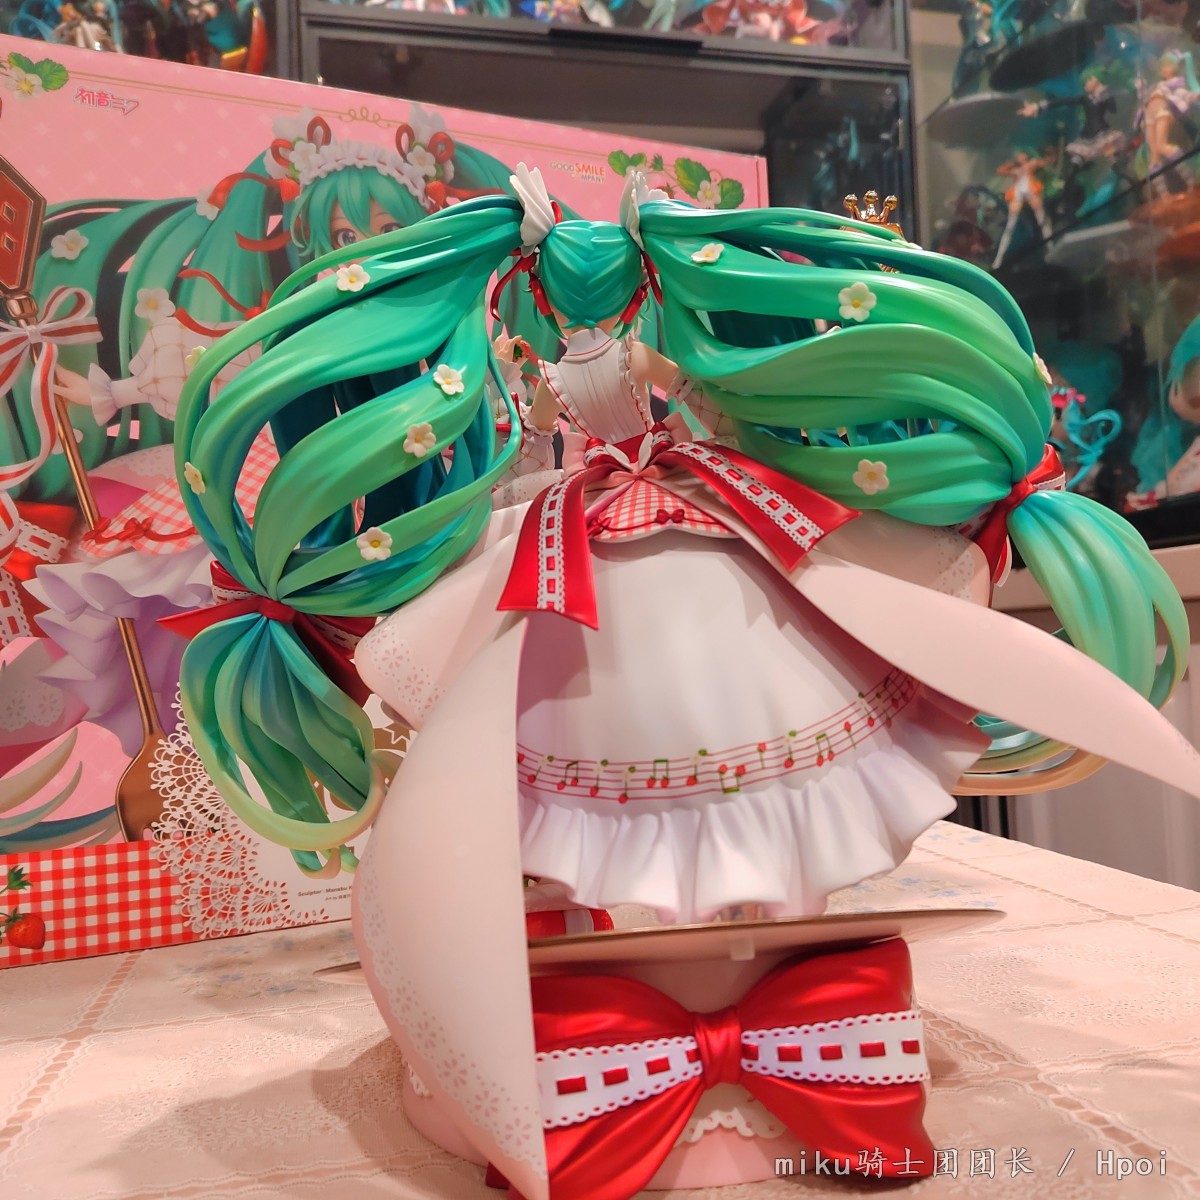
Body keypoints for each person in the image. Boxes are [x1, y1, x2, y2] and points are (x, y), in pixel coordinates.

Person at [165, 169, 1200, 914]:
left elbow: (632, 410)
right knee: (616, 669)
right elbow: (613, 414)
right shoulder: (587, 365)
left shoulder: (601, 365)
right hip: (616, 501)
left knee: (747, 637)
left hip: (654, 496)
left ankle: (713, 883)